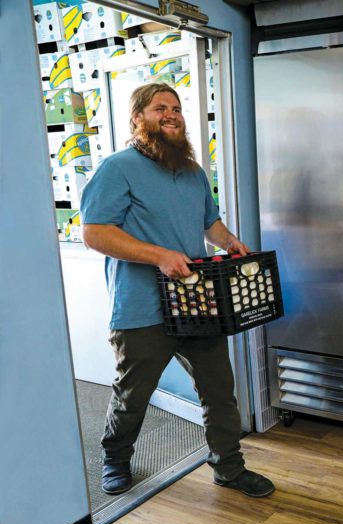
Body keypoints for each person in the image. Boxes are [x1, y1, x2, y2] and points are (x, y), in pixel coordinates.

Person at [81, 83, 274, 498]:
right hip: (141, 308)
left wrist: (230, 242)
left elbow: (210, 221)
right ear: (137, 118)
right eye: (159, 108)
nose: (171, 114)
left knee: (219, 391)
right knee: (133, 395)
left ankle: (229, 467)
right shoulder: (117, 168)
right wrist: (158, 256)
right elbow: (94, 233)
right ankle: (115, 459)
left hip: (196, 302)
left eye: (176, 108)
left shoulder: (192, 172)